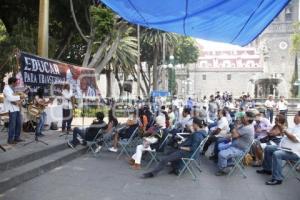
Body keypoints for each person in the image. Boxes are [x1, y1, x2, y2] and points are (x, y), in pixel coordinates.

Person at [142, 117, 207, 178]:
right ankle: (176, 169)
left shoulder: (197, 135)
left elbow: (192, 148)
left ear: (196, 124)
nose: (192, 125)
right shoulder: (201, 133)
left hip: (187, 152)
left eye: (193, 123)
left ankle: (153, 173)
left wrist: (181, 147)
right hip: (187, 151)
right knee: (170, 151)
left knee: (165, 159)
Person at [257, 112, 300, 185]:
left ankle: (277, 178)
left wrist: (284, 130)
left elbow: (294, 139)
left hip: (294, 152)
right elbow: (284, 134)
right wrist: (281, 128)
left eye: (295, 115)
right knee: (268, 148)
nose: (294, 117)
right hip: (285, 148)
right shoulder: (295, 126)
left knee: (277, 154)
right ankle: (267, 169)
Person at [215, 111, 255, 176]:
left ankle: (223, 170)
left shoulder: (248, 128)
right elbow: (234, 132)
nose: (241, 117)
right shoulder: (244, 125)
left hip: (240, 149)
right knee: (220, 146)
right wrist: (235, 127)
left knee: (221, 154)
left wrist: (233, 127)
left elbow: (234, 135)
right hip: (235, 145)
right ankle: (229, 162)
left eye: (243, 116)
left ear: (247, 118)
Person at [3, 77, 24, 144]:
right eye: (16, 82)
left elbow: (14, 98)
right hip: (11, 109)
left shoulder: (13, 89)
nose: (17, 84)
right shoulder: (6, 89)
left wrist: (20, 100)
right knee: (12, 125)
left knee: (19, 124)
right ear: (12, 82)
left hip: (16, 108)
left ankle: (17, 137)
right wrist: (19, 97)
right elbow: (10, 98)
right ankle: (10, 139)